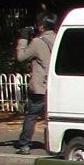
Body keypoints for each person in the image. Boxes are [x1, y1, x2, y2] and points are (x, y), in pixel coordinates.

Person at [12, 14, 56, 153]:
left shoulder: (38, 42)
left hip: (40, 86)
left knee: (32, 115)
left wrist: (23, 39)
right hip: (56, 85)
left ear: (41, 26)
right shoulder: (59, 38)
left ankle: (24, 144)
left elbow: (21, 57)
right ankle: (54, 144)